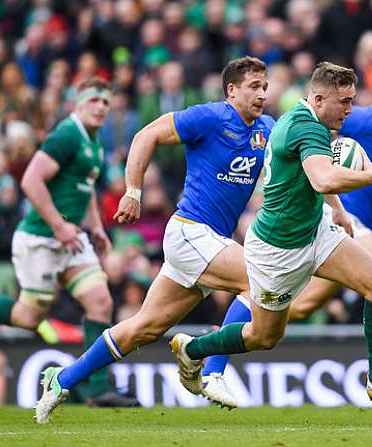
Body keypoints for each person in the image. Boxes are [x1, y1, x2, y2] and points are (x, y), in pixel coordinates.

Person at [32, 56, 275, 423]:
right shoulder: (209, 117)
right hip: (191, 232)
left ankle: (62, 380)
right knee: (257, 279)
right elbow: (146, 135)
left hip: (207, 243)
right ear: (231, 90)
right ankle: (210, 368)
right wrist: (133, 190)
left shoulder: (267, 128)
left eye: (265, 87)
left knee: (142, 329)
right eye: (254, 87)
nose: (261, 94)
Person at [176, 62, 372, 413]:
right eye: (345, 102)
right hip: (279, 248)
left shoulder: (311, 121)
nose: (350, 110)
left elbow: (317, 176)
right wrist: (368, 176)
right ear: (319, 99)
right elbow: (322, 179)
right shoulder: (305, 126)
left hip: (315, 229)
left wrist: (336, 209)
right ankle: (192, 350)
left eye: (352, 101)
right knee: (264, 337)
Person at [0, 78, 137, 407]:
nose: (100, 107)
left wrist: (95, 228)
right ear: (77, 105)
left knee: (100, 302)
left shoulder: (94, 144)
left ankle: (97, 390)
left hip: (71, 237)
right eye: (94, 100)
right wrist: (58, 225)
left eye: (106, 102)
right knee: (27, 317)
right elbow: (30, 180)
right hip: (40, 237)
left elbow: (85, 192)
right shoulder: (68, 134)